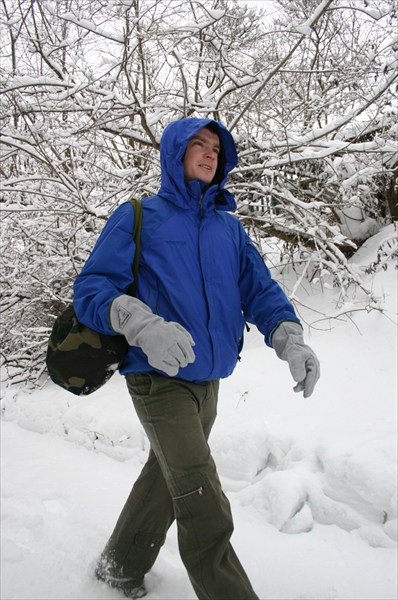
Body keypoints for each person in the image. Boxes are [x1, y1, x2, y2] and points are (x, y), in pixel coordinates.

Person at [73, 118, 320, 600]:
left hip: (208, 381)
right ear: (174, 155)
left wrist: (291, 340)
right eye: (198, 146)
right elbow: (92, 289)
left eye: (216, 149)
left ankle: (119, 566)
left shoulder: (229, 229)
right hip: (157, 378)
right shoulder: (140, 216)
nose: (209, 155)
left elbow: (261, 290)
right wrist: (145, 326)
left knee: (169, 478)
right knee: (200, 491)